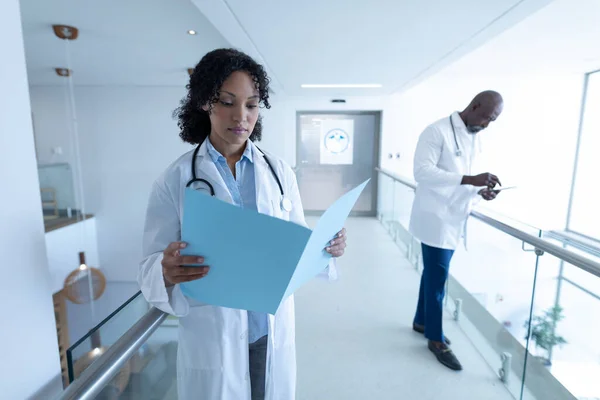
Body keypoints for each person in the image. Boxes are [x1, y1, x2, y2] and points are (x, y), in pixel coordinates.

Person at [138, 48, 347, 400]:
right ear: (205, 103)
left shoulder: (279, 173)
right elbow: (148, 267)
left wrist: (325, 247)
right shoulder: (174, 180)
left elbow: (296, 243)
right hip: (214, 335)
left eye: (251, 104)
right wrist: (165, 271)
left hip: (270, 331)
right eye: (227, 102)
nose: (241, 116)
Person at [408, 91, 504, 371]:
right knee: (438, 280)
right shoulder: (435, 131)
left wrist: (480, 191)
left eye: (493, 120)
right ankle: (435, 340)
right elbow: (422, 172)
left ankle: (421, 321)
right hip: (435, 218)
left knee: (432, 274)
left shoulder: (475, 137)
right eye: (487, 117)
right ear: (474, 107)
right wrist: (468, 179)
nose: (488, 124)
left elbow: (467, 177)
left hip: (454, 216)